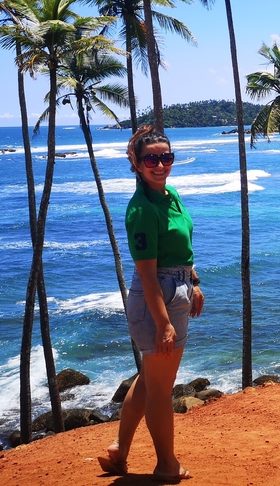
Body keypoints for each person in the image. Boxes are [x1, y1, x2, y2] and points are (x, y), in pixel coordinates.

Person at [98, 126, 204, 482]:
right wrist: (163, 323)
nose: (160, 165)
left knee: (149, 379)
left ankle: (119, 451)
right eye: (152, 159)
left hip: (177, 287)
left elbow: (181, 247)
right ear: (137, 164)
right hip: (157, 295)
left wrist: (195, 281)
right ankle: (166, 465)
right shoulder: (141, 210)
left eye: (166, 157)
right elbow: (146, 274)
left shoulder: (170, 194)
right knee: (160, 388)